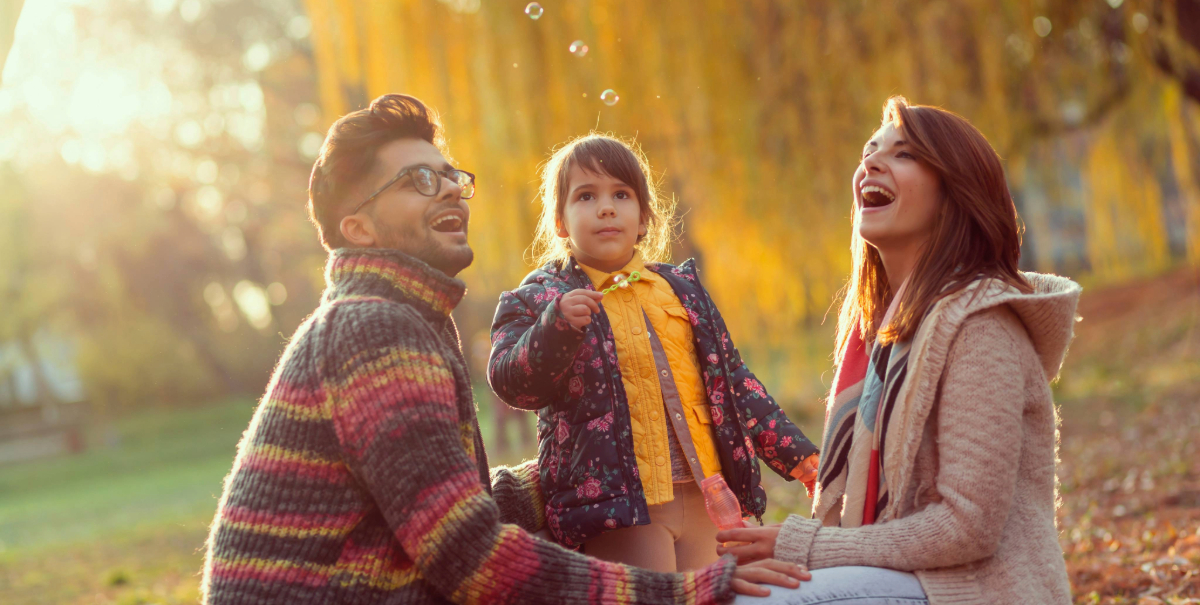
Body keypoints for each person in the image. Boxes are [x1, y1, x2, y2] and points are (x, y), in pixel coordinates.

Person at [201, 94, 806, 604]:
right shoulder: (373, 331)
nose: (451, 192)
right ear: (358, 228)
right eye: (419, 181)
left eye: (452, 177)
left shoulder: (404, 319)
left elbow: (446, 510)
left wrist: (586, 472)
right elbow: (467, 553)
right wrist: (678, 591)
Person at [717, 97, 1079, 604]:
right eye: (870, 150)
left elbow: (967, 527)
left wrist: (804, 545)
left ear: (955, 193)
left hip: (976, 590)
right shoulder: (878, 332)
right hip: (909, 581)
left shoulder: (982, 328)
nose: (871, 163)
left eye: (905, 154)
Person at [487, 134, 821, 573]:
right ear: (560, 221)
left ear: (644, 218)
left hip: (705, 490)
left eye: (621, 195)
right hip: (619, 503)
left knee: (712, 594)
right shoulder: (542, 298)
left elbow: (734, 384)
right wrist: (556, 327)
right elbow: (514, 383)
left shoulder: (681, 292)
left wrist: (800, 458)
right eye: (586, 196)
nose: (606, 207)